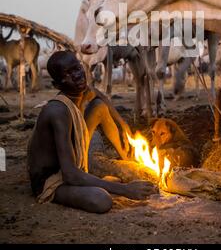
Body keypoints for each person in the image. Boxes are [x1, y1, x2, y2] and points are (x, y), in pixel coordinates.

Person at [27, 50, 157, 213]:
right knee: (101, 199)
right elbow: (70, 175)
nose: (77, 75)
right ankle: (93, 182)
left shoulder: (80, 91)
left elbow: (101, 98)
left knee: (99, 107)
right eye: (68, 73)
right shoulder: (57, 111)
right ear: (56, 85)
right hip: (52, 180)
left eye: (77, 68)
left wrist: (123, 126)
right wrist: (125, 189)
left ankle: (127, 157)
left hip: (70, 164)